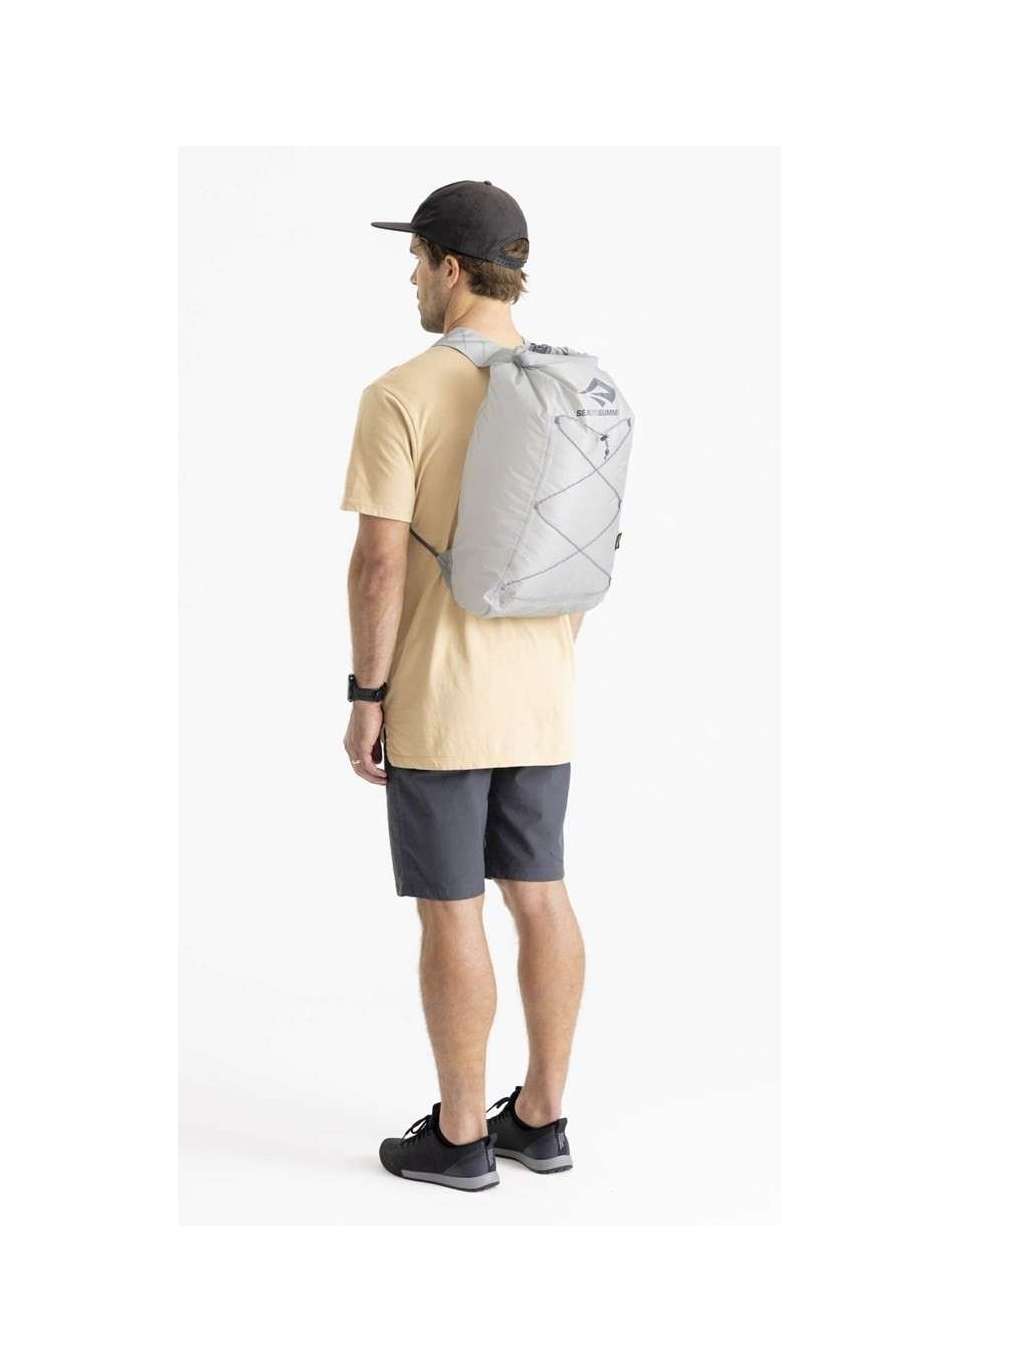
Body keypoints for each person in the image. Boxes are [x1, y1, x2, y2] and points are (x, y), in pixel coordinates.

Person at [339, 180, 583, 1192]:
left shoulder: (403, 392)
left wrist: (366, 693)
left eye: (416, 261)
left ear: (450, 266)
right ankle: (542, 1118)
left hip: (443, 698)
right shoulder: (571, 386)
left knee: (451, 909)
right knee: (541, 896)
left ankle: (460, 1134)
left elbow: (378, 564)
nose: (411, 280)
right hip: (544, 694)